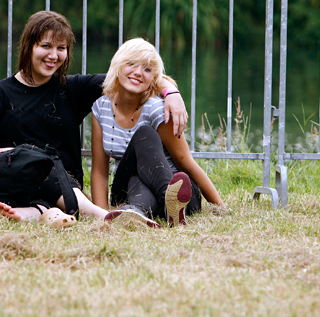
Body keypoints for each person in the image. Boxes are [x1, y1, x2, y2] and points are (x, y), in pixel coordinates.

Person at [0, 11, 188, 226]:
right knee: (39, 159)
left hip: (67, 188)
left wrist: (172, 93)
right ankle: (100, 216)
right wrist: (23, 155)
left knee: (46, 171)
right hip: (16, 178)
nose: (53, 55)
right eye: (46, 46)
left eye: (61, 48)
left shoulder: (72, 89)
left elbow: (131, 77)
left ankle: (34, 212)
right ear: (29, 46)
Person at [90, 38, 226, 227]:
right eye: (131, 64)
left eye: (147, 69)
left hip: (180, 190)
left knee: (145, 135)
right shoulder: (101, 107)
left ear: (154, 78)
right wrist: (102, 213)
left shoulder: (157, 108)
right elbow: (99, 170)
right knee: (138, 170)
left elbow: (185, 160)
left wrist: (219, 206)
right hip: (128, 185)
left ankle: (147, 208)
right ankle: (155, 206)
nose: (138, 72)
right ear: (117, 66)